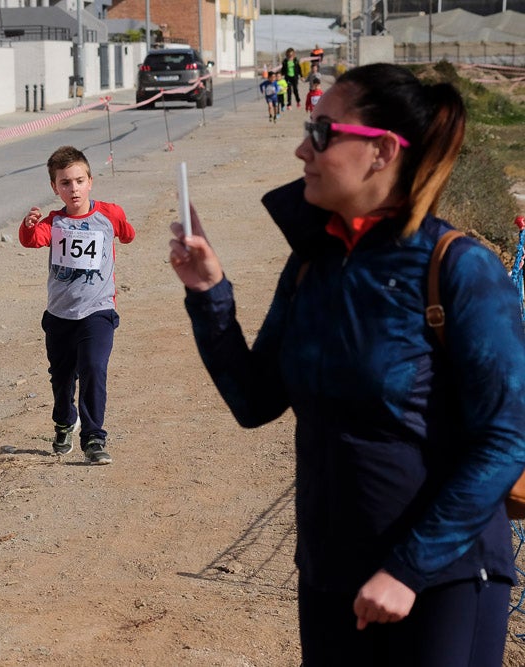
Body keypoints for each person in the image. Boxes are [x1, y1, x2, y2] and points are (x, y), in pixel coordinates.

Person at [168, 63, 525, 665]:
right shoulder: (313, 264)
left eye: (323, 130)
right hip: (330, 576)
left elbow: (506, 438)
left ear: (383, 150)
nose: (302, 146)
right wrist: (210, 295)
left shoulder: (457, 267)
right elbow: (255, 401)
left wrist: (407, 570)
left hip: (442, 582)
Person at [19, 146, 135, 465]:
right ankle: (64, 421)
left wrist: (123, 232)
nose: (74, 189)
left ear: (90, 181)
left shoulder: (109, 214)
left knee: (94, 367)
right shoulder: (54, 222)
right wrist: (29, 225)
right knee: (62, 377)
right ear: (55, 188)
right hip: (59, 316)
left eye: (79, 181)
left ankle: (94, 437)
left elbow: (127, 234)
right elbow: (31, 240)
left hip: (98, 311)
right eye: (65, 183)